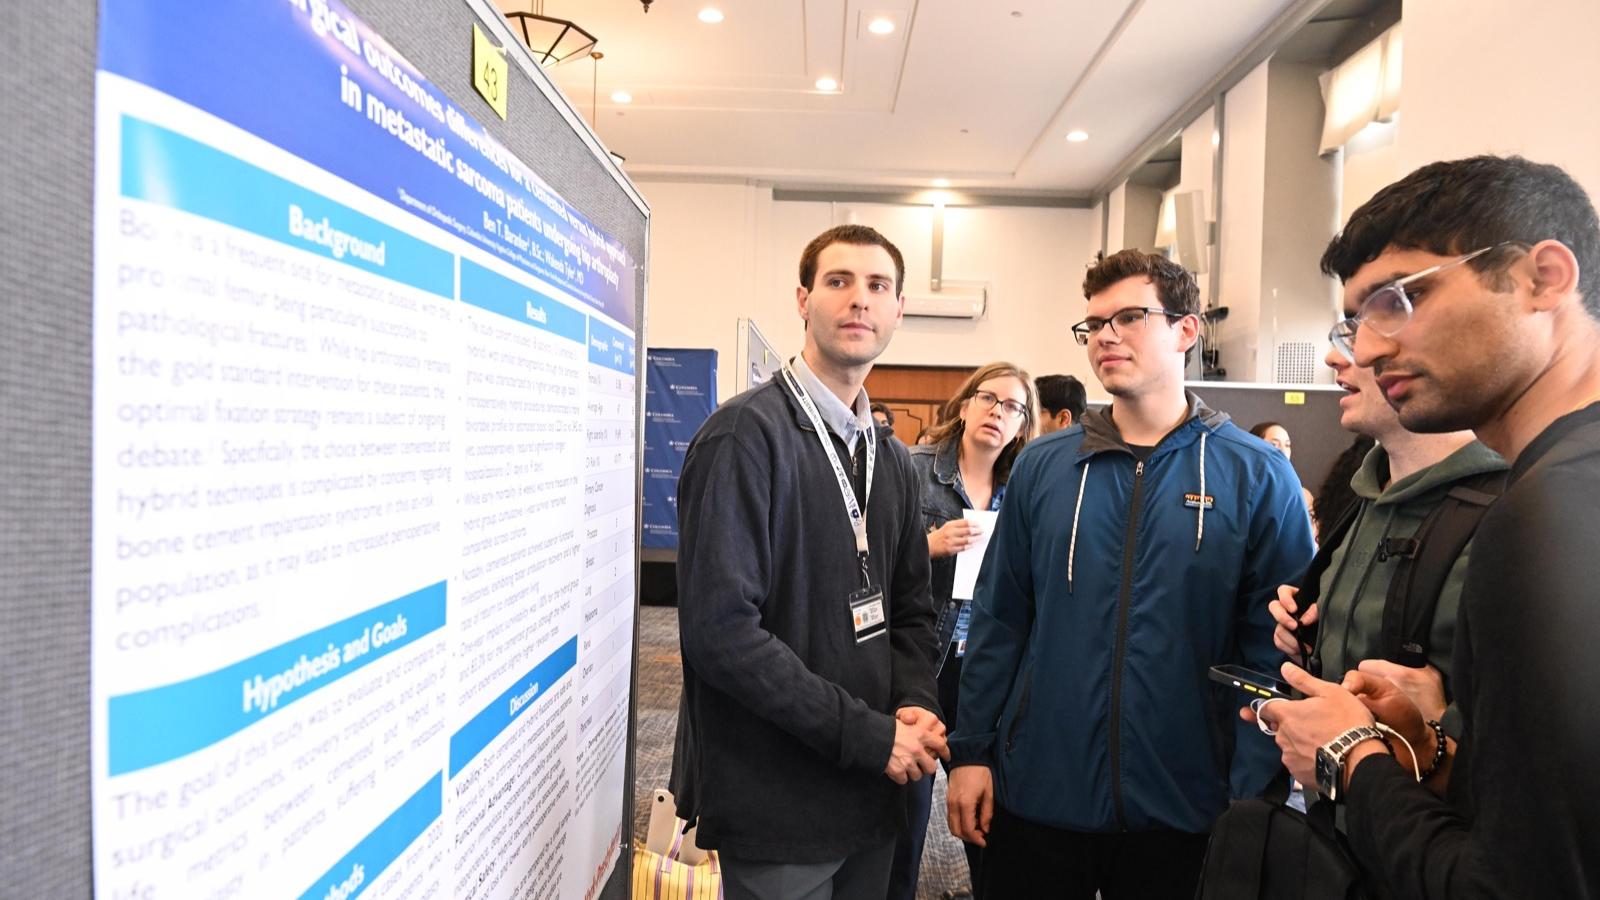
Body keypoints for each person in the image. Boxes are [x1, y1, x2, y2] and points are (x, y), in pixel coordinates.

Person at [1254, 155, 1600, 896]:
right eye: (1356, 317)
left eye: (1400, 299)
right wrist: (1436, 749)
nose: (1368, 349)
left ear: (1543, 278)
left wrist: (1351, 754)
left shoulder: (1546, 511)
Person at [946, 249, 1315, 898]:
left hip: (1189, 807)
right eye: (1094, 324)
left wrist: (1254, 789)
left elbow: (1274, 651)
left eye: (1130, 317)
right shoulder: (1044, 467)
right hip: (1039, 793)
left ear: (1186, 330)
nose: (1106, 336)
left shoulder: (1256, 474)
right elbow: (1002, 619)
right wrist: (972, 752)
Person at [671, 224, 948, 900]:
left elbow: (912, 607)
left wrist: (913, 702)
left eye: (878, 286)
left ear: (899, 309)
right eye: (839, 281)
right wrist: (867, 735)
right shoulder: (743, 438)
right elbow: (721, 634)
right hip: (779, 802)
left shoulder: (893, 459)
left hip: (872, 790)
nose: (860, 300)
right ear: (803, 299)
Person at [1268, 343, 1505, 750]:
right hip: (1334, 808)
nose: (1333, 358)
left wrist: (1434, 738)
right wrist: (1320, 629)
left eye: (1362, 330)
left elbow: (1539, 761)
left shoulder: (1511, 516)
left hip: (1422, 810)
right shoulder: (1364, 498)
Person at [889, 362, 1036, 900]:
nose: (997, 413)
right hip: (927, 660)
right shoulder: (914, 467)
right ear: (966, 404)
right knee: (907, 805)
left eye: (1012, 407)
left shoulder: (1028, 482)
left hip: (990, 664)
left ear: (1023, 423)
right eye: (988, 399)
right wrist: (928, 545)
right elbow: (868, 561)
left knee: (988, 809)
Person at [1249, 421, 1317, 524]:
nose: (1283, 451)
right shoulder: (1242, 493)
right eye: (1274, 444)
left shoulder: (1302, 496)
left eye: (1287, 445)